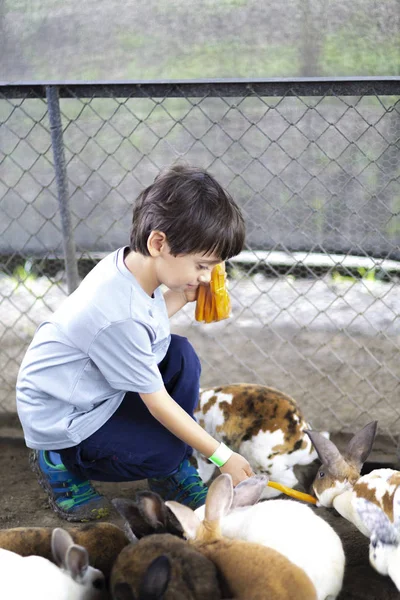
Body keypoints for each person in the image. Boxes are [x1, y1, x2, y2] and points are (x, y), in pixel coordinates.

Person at [16, 163, 254, 523]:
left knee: (180, 355)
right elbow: (157, 402)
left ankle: (169, 473)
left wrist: (184, 297)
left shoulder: (132, 264)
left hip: (95, 393)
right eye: (202, 266)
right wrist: (223, 456)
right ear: (159, 243)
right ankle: (58, 462)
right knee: (167, 450)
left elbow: (148, 324)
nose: (207, 277)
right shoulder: (118, 312)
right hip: (65, 418)